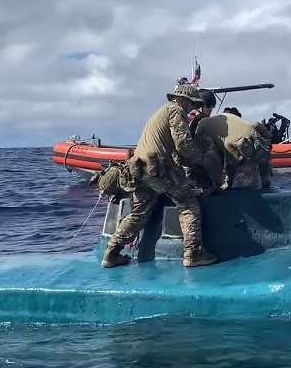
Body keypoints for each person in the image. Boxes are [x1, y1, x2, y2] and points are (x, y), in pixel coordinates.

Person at [93, 83, 225, 269]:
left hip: (139, 169)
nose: (193, 108)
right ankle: (193, 253)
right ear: (185, 101)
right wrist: (203, 161)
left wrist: (186, 161)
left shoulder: (162, 112)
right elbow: (183, 144)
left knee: (138, 214)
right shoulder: (176, 111)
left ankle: (111, 253)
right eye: (193, 104)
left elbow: (174, 150)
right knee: (187, 203)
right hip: (158, 169)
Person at [194, 107, 273, 190]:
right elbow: (256, 125)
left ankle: (251, 195)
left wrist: (218, 185)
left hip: (240, 145)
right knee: (264, 168)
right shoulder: (224, 118)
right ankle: (268, 189)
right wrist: (269, 136)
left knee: (247, 184)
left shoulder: (201, 129)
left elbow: (214, 160)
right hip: (256, 139)